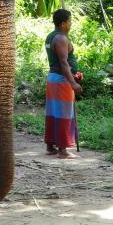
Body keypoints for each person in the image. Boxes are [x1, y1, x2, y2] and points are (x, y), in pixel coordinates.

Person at [44, 9, 83, 159]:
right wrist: (73, 83)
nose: (71, 24)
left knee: (53, 112)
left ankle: (50, 146)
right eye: (70, 21)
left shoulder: (51, 36)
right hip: (61, 80)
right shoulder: (61, 38)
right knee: (64, 114)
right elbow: (63, 63)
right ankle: (63, 150)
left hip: (54, 78)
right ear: (63, 23)